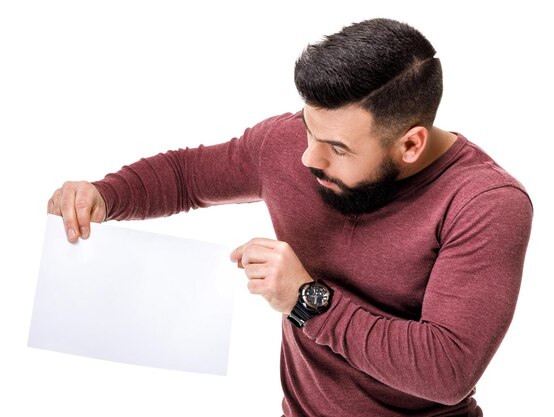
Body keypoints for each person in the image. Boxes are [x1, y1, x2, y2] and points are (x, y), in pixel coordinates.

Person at [47, 18, 533, 417]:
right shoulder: (291, 145)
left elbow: (445, 371)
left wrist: (307, 299)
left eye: (337, 148)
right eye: (308, 129)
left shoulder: (485, 202)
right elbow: (187, 176)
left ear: (410, 144)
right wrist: (104, 195)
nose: (308, 159)